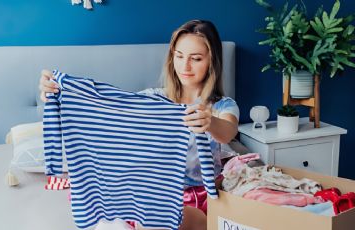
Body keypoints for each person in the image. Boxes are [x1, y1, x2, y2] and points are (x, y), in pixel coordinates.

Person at [38, 19, 239, 230]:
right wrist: (61, 93)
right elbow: (109, 111)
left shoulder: (222, 106)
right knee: (112, 222)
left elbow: (228, 132)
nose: (185, 66)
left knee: (164, 220)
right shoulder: (152, 99)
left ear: (211, 61)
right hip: (152, 193)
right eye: (179, 56)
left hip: (199, 196)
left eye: (195, 58)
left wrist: (209, 122)